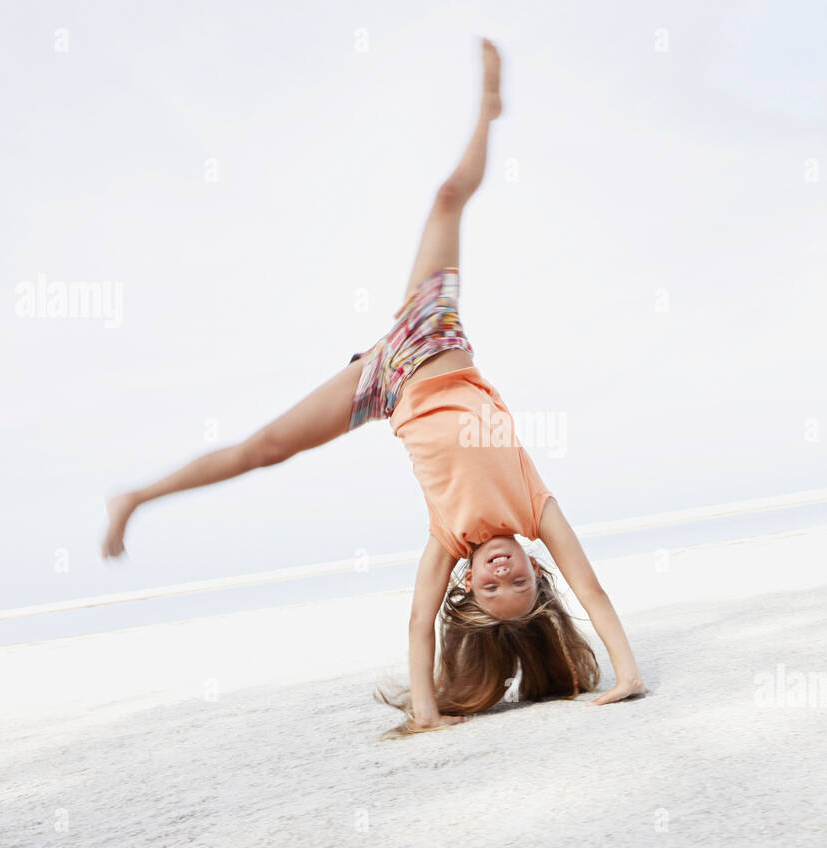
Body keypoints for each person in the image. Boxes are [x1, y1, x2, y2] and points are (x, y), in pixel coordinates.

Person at [101, 39, 646, 736]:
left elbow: (420, 624)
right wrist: (625, 671)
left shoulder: (445, 540)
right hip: (432, 341)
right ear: (541, 574)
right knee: (447, 199)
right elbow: (592, 590)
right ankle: (489, 108)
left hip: (381, 386)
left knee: (265, 447)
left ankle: (137, 497)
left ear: (466, 584)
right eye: (520, 583)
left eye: (490, 586)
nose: (503, 573)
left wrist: (427, 714)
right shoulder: (538, 511)